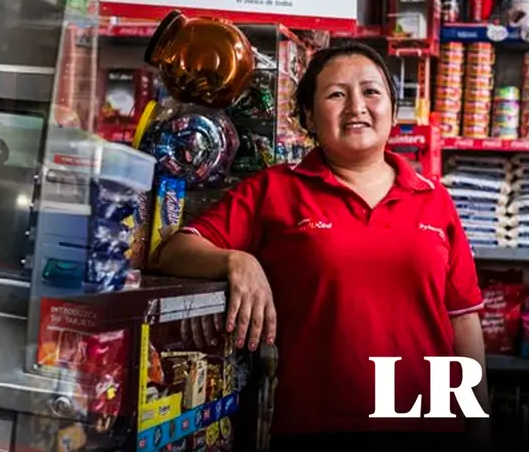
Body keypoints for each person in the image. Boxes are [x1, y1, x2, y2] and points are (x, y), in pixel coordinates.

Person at [157, 43, 490, 452]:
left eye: (371, 92)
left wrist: (479, 428)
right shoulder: (275, 190)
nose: (357, 106)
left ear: (391, 108)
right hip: (317, 425)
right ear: (310, 117)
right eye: (336, 94)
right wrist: (236, 260)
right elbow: (174, 250)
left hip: (430, 424)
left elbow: (463, 321)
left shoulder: (433, 198)